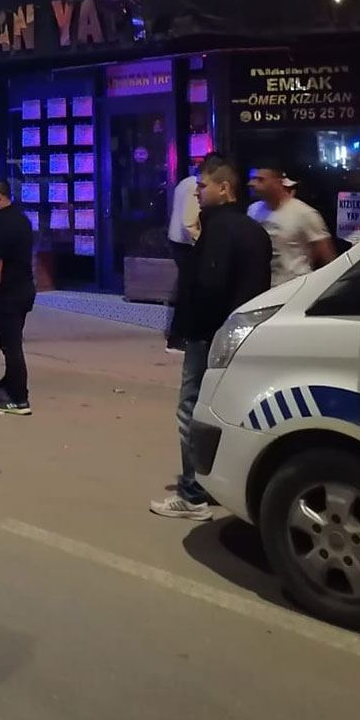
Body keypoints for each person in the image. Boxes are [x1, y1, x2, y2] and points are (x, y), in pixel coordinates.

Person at [151, 158, 271, 521]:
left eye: (203, 186)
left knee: (191, 407)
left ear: (224, 188)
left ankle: (191, 494)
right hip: (244, 334)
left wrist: (189, 330)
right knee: (228, 410)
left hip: (210, 335)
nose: (197, 193)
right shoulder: (253, 229)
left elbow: (208, 286)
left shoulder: (219, 230)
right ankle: (217, 484)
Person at [0, 180, 36, 416]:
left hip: (8, 294)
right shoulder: (21, 219)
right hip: (23, 290)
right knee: (9, 341)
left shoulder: (1, 228)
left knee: (12, 346)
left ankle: (20, 399)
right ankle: (9, 382)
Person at [247, 160, 337, 287]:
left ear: (277, 182)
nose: (252, 184)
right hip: (264, 288)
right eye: (252, 179)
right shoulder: (253, 210)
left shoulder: (304, 213)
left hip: (295, 288)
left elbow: (327, 257)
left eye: (260, 180)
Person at [165, 163, 203, 352]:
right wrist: (200, 242)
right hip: (186, 243)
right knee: (187, 292)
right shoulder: (194, 185)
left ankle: (179, 336)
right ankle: (178, 337)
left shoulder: (184, 182)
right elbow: (189, 221)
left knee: (186, 290)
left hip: (177, 240)